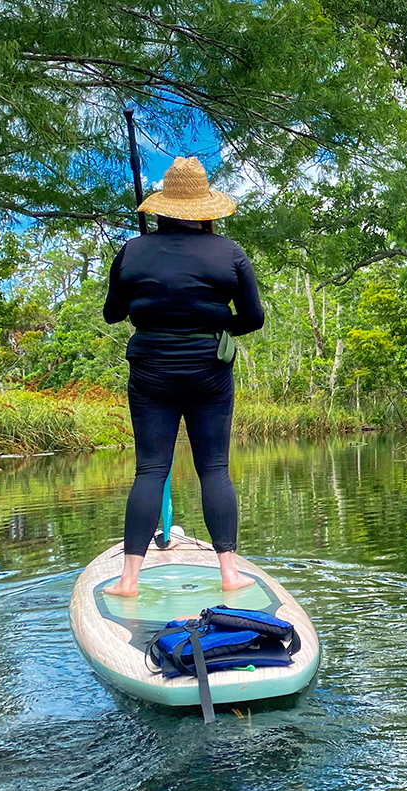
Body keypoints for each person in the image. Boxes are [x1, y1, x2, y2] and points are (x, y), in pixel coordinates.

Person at [101, 156, 265, 596]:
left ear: (160, 209)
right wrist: (212, 323)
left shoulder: (133, 251)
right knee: (214, 468)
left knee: (150, 470)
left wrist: (139, 275)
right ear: (205, 210)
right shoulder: (229, 253)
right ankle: (229, 574)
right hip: (209, 370)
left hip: (151, 370)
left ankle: (128, 580)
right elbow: (253, 317)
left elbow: (113, 313)